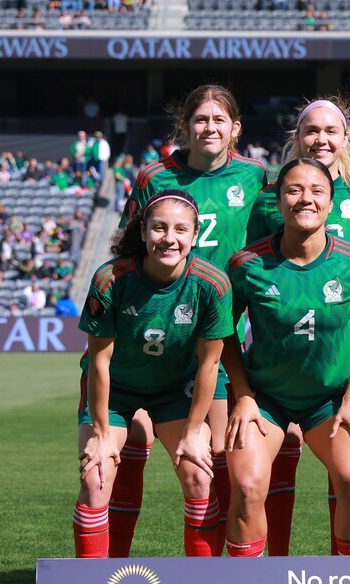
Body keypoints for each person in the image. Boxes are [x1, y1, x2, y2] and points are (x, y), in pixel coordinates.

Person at [109, 84, 268, 557]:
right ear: (184, 127)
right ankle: (104, 575)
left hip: (221, 337)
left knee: (211, 462)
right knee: (127, 458)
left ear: (235, 129)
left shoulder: (257, 176)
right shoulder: (154, 177)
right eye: (200, 119)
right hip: (156, 332)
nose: (210, 128)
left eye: (220, 120)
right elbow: (126, 251)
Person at [248, 96, 350, 556]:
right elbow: (254, 272)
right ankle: (273, 574)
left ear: (346, 138)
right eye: (311, 130)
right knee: (275, 468)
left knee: (347, 476)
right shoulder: (271, 197)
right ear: (297, 138)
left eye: (331, 130)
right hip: (280, 353)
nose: (321, 139)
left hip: (340, 361)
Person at [73, 189, 233, 558]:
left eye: (180, 229)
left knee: (199, 475)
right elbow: (98, 361)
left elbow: (210, 364)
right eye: (159, 228)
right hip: (115, 391)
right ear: (142, 232)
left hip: (175, 390)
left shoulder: (212, 284)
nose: (169, 238)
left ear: (195, 236)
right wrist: (99, 433)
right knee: (96, 478)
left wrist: (194, 432)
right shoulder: (110, 279)